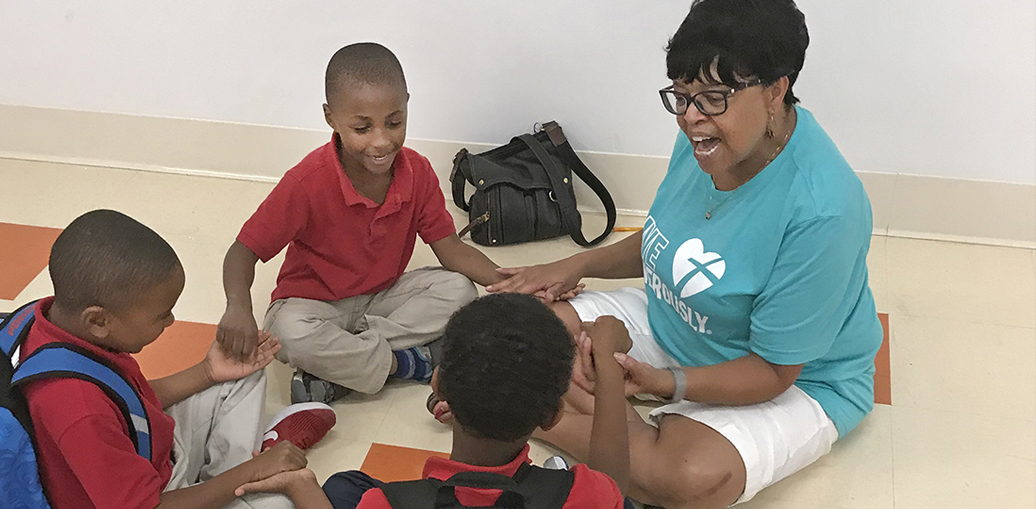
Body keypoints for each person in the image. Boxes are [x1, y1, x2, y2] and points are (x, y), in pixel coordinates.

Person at [487, 1, 884, 507]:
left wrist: (665, 382)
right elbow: (667, 242)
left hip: (793, 378)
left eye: (713, 98)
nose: (691, 118)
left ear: (776, 90)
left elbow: (773, 371)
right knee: (515, 335)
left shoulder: (824, 210)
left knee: (692, 477)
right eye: (682, 96)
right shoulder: (710, 138)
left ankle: (545, 419)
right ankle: (627, 435)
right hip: (678, 318)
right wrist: (573, 265)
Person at [217, 42, 539, 404]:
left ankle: (346, 373)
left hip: (383, 297)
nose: (381, 141)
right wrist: (237, 307)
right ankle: (408, 363)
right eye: (362, 128)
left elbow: (450, 248)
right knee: (285, 333)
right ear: (330, 118)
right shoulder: (306, 183)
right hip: (315, 304)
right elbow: (242, 253)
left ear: (406, 106)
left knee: (460, 290)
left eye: (394, 122)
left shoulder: (417, 171)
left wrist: (514, 283)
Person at [23, 209, 335, 509]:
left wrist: (208, 372)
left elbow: (126, 402)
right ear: (99, 321)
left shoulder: (56, 323)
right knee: (279, 505)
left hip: (152, 452)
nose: (171, 321)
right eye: (161, 315)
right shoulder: (79, 408)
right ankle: (253, 468)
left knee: (243, 371)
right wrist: (251, 472)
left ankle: (242, 473)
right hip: (154, 495)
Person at [256, 294, 627, 509]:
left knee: (342, 487)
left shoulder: (385, 505)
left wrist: (300, 487)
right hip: (544, 496)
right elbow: (612, 488)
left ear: (437, 383)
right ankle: (551, 474)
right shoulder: (589, 493)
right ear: (552, 415)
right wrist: (606, 363)